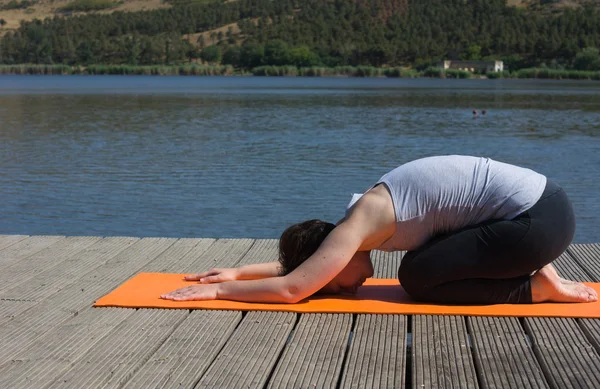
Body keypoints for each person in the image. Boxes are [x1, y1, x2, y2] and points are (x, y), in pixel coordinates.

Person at [161, 155, 597, 305]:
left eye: (335, 285)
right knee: (423, 262)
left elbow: (293, 288)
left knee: (417, 276)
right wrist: (237, 273)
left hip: (536, 224)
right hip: (545, 212)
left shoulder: (359, 224)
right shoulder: (360, 220)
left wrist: (219, 292)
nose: (354, 286)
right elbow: (299, 271)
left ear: (329, 260)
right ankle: (540, 273)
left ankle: (535, 288)